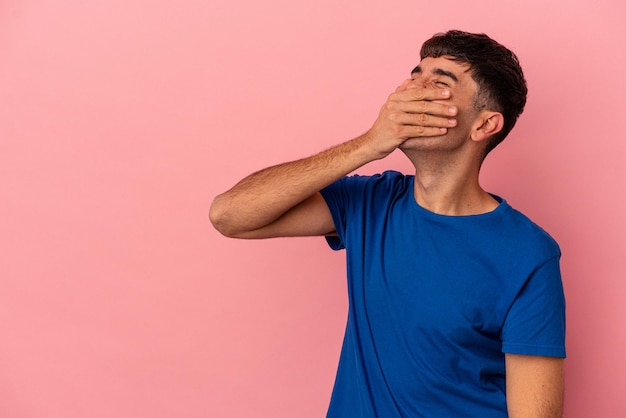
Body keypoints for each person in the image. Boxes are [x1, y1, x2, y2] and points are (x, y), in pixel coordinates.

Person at [210, 30, 566, 417]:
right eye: (416, 73)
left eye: (440, 81)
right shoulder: (370, 202)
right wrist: (368, 144)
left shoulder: (528, 254)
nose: (414, 86)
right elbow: (229, 215)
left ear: (483, 125)